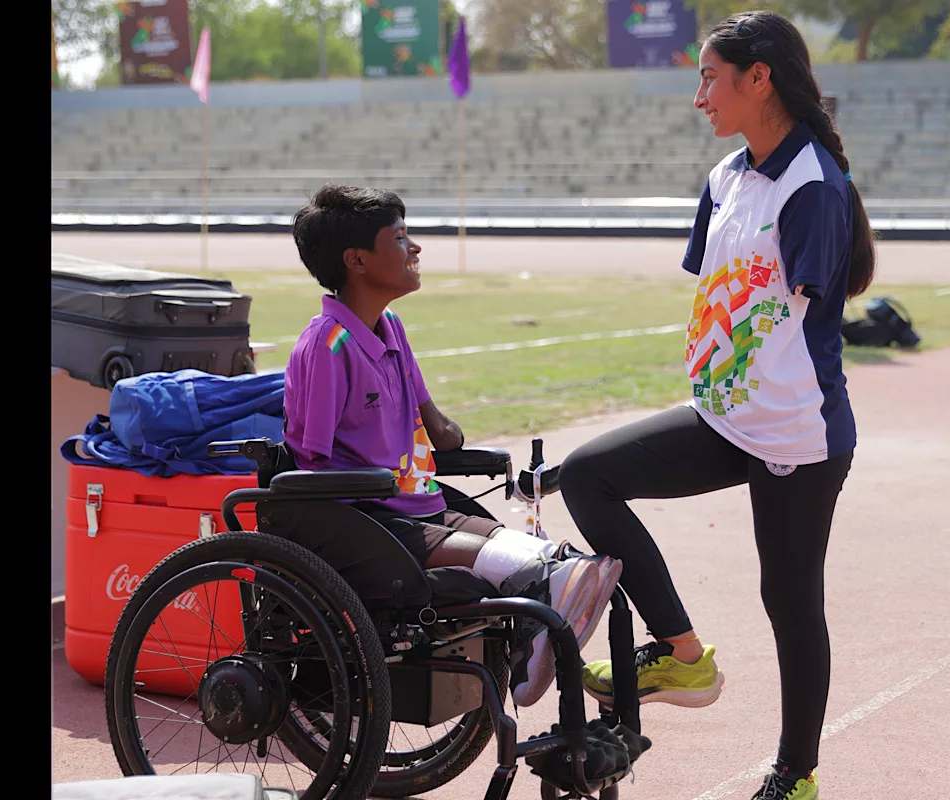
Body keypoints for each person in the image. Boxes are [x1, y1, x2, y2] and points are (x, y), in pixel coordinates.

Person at [558, 12, 876, 800]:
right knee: (586, 475)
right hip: (722, 417)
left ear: (758, 77)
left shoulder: (814, 188)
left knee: (789, 599)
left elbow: (798, 312)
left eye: (709, 76)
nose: (699, 95)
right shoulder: (726, 179)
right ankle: (684, 655)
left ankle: (795, 775)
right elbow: (723, 294)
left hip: (797, 433)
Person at [282, 183, 623, 707]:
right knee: (533, 575)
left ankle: (536, 652)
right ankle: (534, 652)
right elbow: (311, 462)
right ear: (356, 260)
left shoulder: (390, 328)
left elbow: (438, 429)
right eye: (399, 239)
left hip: (419, 505)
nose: (415, 248)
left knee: (563, 562)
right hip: (365, 518)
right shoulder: (328, 345)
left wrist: (447, 437)